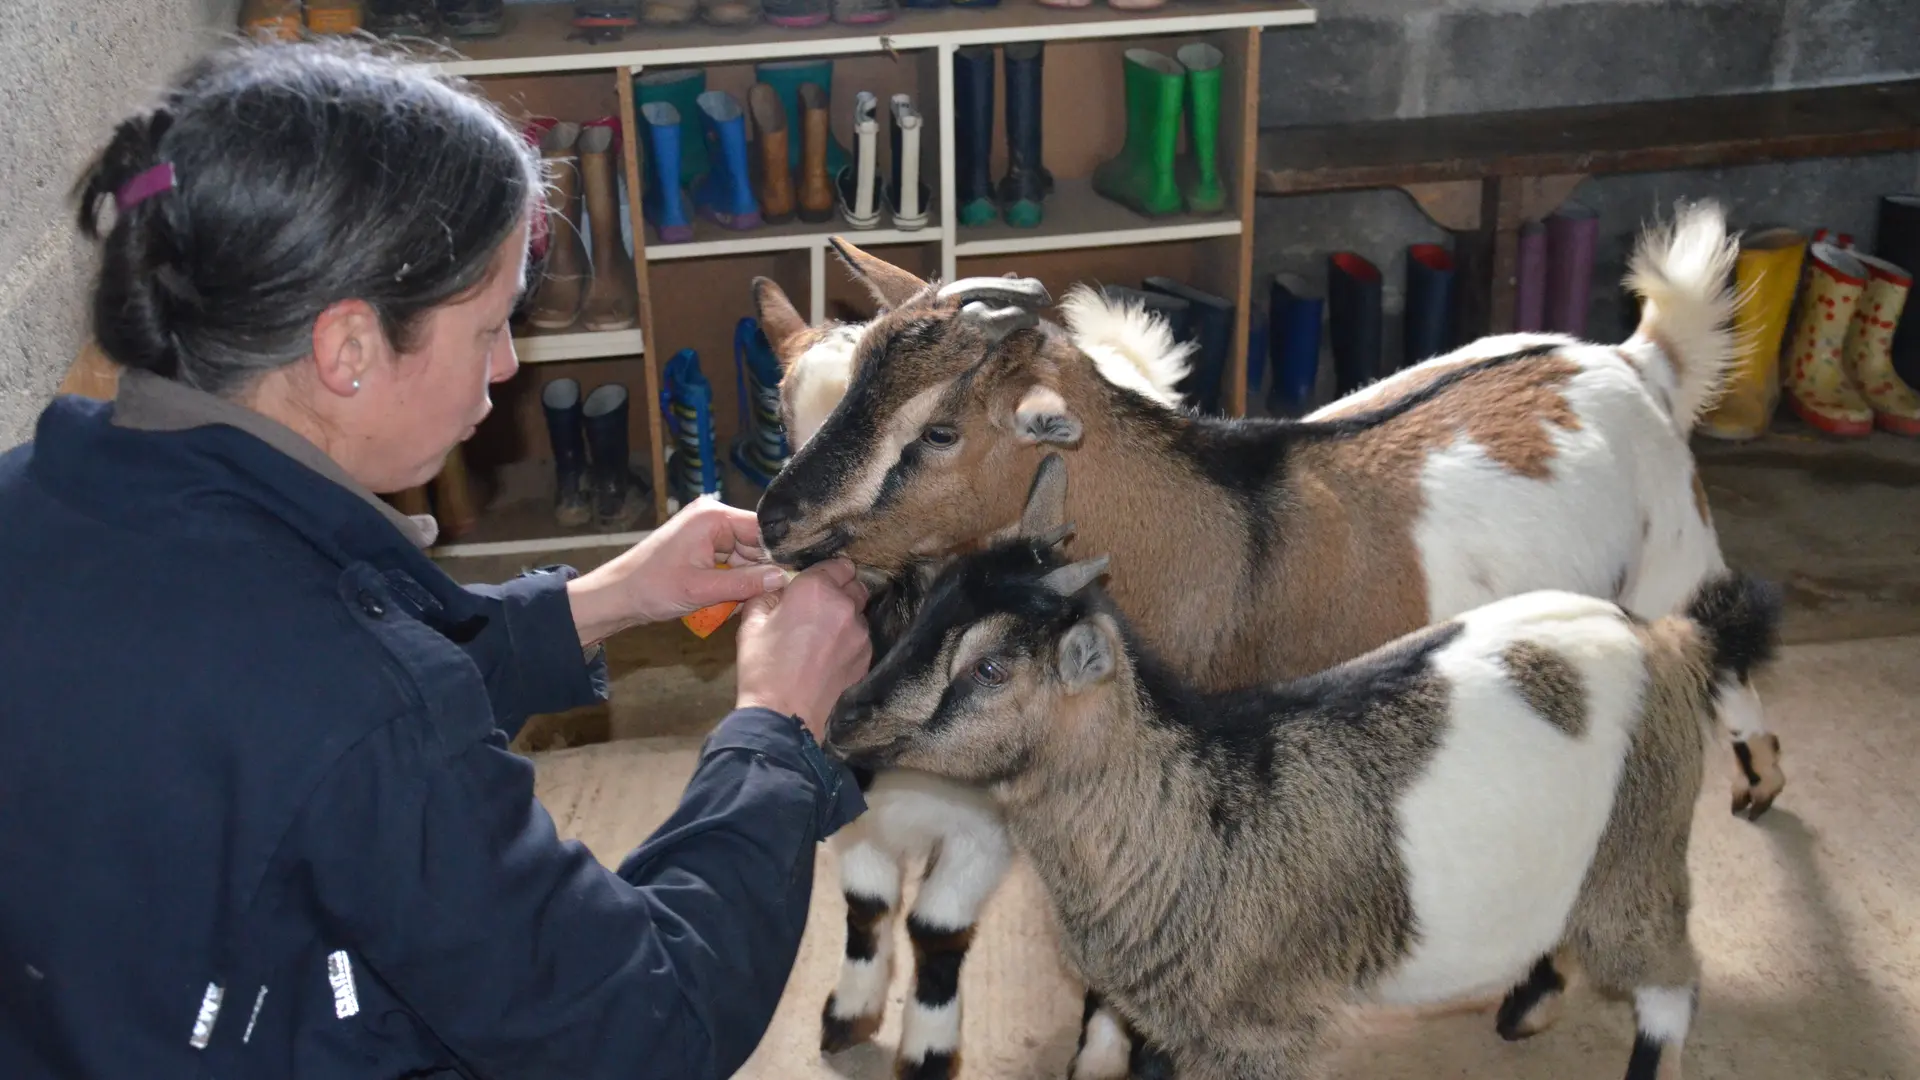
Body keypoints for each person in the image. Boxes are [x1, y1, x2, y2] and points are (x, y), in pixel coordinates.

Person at [0, 37, 875, 1080]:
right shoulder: (359, 701)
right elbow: (645, 1027)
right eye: (492, 325)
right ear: (350, 350)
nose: (508, 368)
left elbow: (305, 744)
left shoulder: (39, 497)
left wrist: (602, 601)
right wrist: (776, 729)